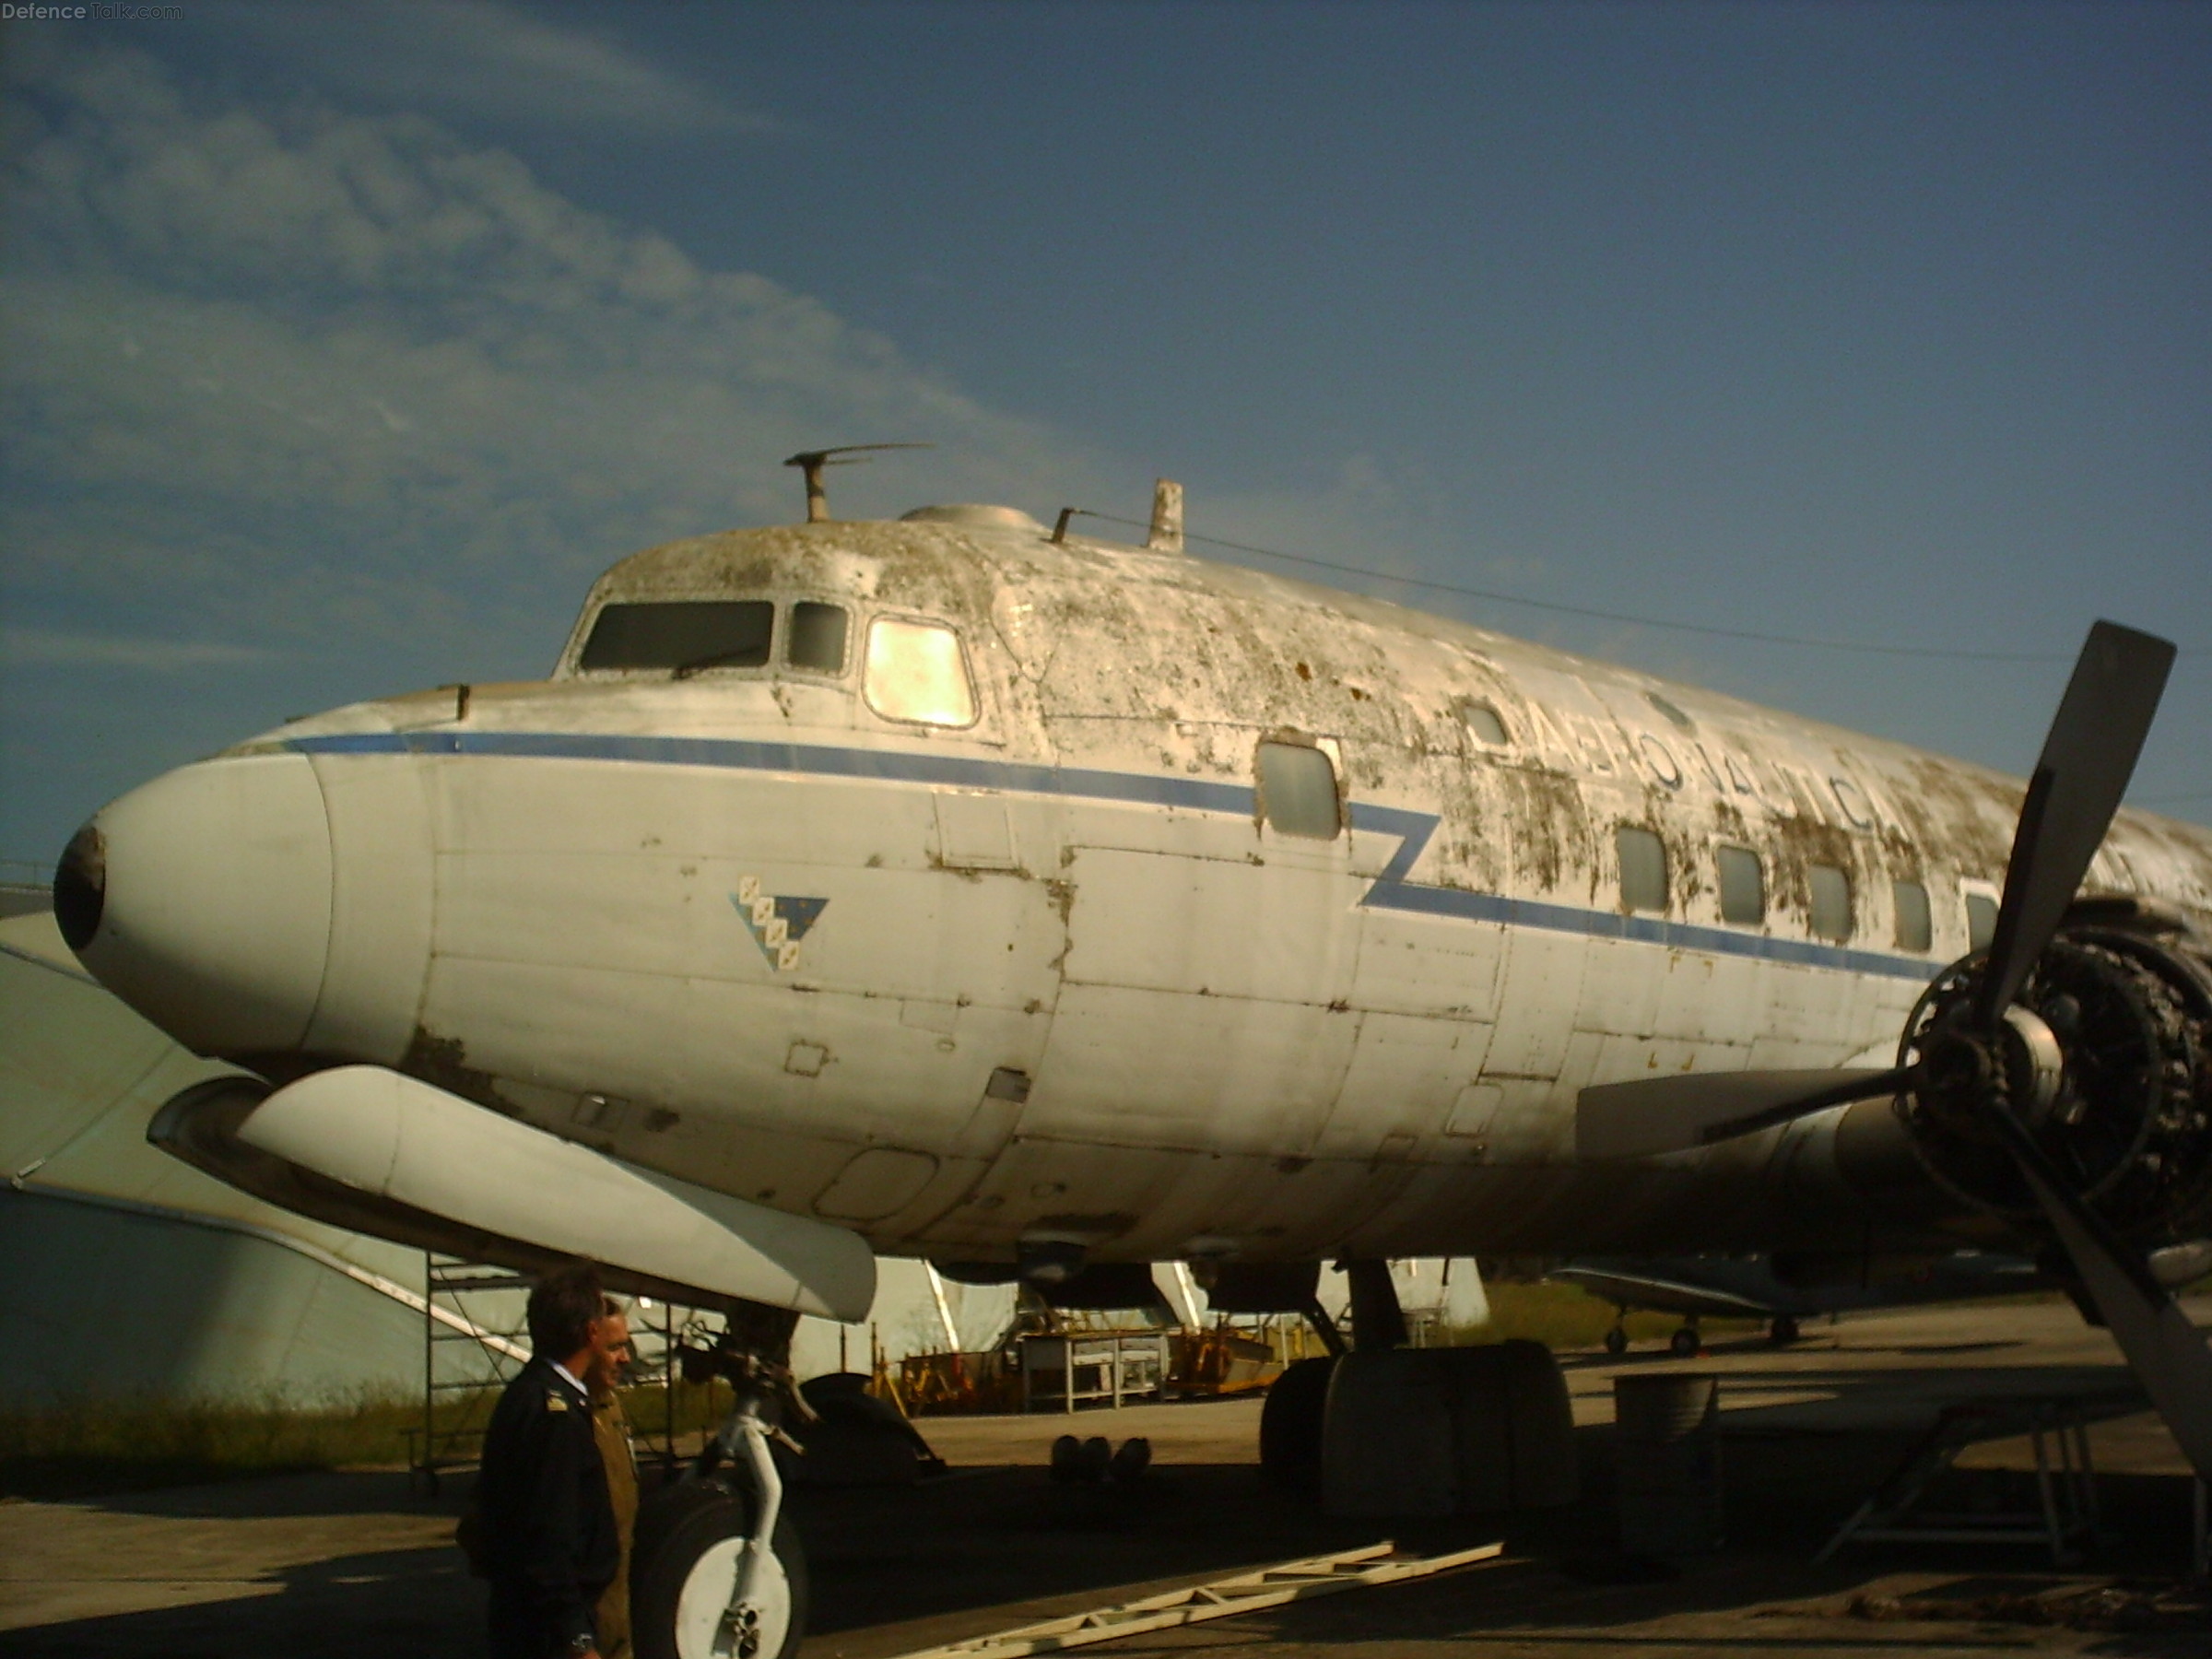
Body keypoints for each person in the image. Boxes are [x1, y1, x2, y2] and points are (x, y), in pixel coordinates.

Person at [477, 1262, 625, 1659]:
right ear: (592, 1333)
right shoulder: (556, 1417)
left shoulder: (526, 1395)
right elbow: (550, 1537)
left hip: (526, 1617)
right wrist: (576, 1638)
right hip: (548, 1633)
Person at [586, 1299, 639, 1659]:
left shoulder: (610, 1407)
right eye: (614, 1347)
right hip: (582, 1622)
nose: (626, 1360)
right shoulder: (560, 1419)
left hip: (617, 1611)